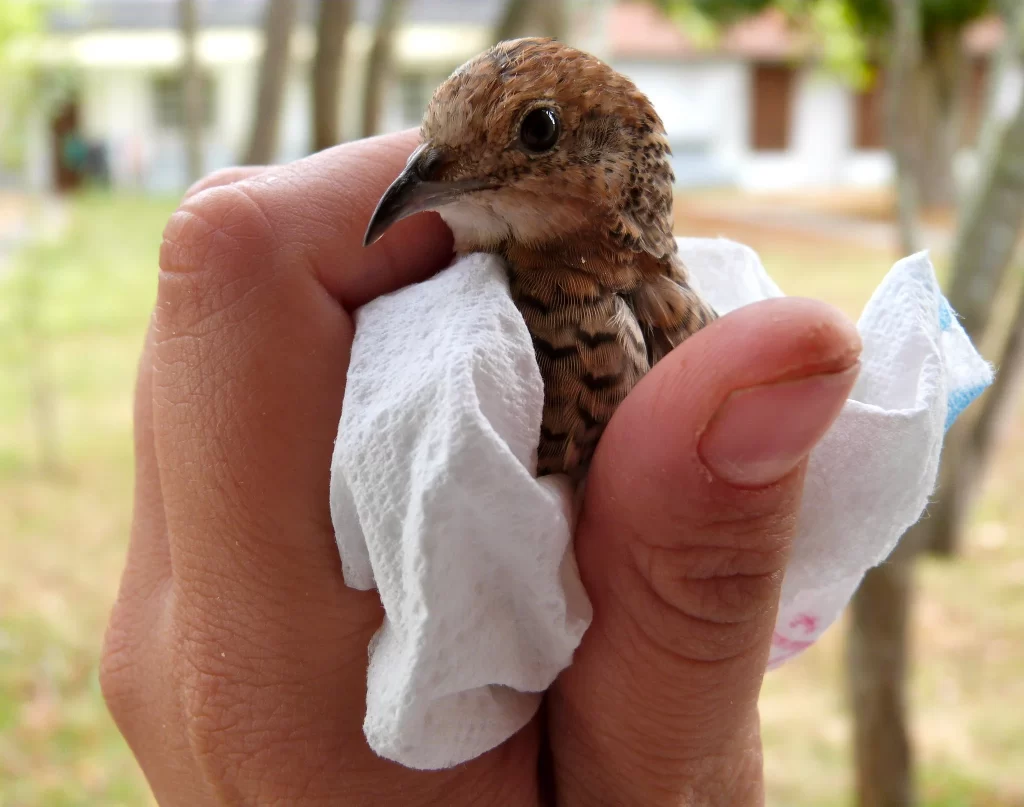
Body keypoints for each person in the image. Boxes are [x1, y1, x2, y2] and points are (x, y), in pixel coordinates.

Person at [100, 129, 861, 806]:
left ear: (617, 158)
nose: (435, 175)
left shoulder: (651, 314)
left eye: (535, 134)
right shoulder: (476, 318)